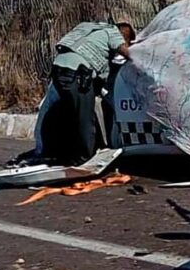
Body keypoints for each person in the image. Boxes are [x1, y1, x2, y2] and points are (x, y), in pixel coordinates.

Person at [42, 21, 134, 165]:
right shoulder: (113, 32)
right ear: (124, 37)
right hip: (77, 73)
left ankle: (64, 154)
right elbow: (128, 53)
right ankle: (85, 157)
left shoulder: (90, 27)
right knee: (85, 116)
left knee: (70, 114)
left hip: (59, 68)